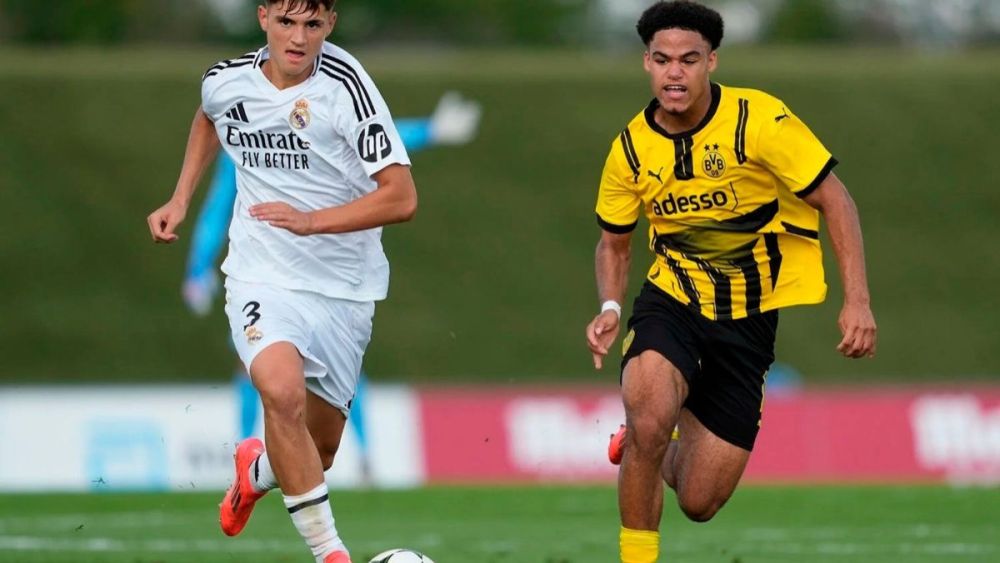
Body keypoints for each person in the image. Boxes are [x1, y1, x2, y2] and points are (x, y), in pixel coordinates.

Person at [583, 2, 877, 562]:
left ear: (711, 61)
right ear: (646, 63)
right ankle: (645, 466)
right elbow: (613, 242)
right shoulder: (628, 150)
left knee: (699, 499)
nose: (675, 72)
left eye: (689, 59)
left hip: (749, 318)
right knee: (648, 412)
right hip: (671, 302)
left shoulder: (759, 120)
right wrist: (611, 307)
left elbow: (835, 200)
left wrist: (856, 300)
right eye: (663, 59)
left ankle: (650, 441)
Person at [146, 1, 418, 561]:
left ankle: (257, 470)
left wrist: (312, 222)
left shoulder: (347, 87)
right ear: (263, 16)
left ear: (331, 25)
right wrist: (180, 198)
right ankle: (331, 554)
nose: (298, 39)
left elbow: (402, 196)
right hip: (260, 274)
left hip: (344, 288)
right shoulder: (225, 80)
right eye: (286, 22)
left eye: (312, 25)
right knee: (278, 390)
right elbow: (207, 116)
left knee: (319, 449)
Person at [182, 93, 482, 449]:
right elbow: (218, 206)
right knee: (255, 364)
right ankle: (245, 453)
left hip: (324, 267)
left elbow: (377, 142)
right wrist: (197, 268)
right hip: (266, 271)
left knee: (339, 369)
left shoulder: (318, 125)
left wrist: (429, 131)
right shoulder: (245, 142)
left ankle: (360, 455)